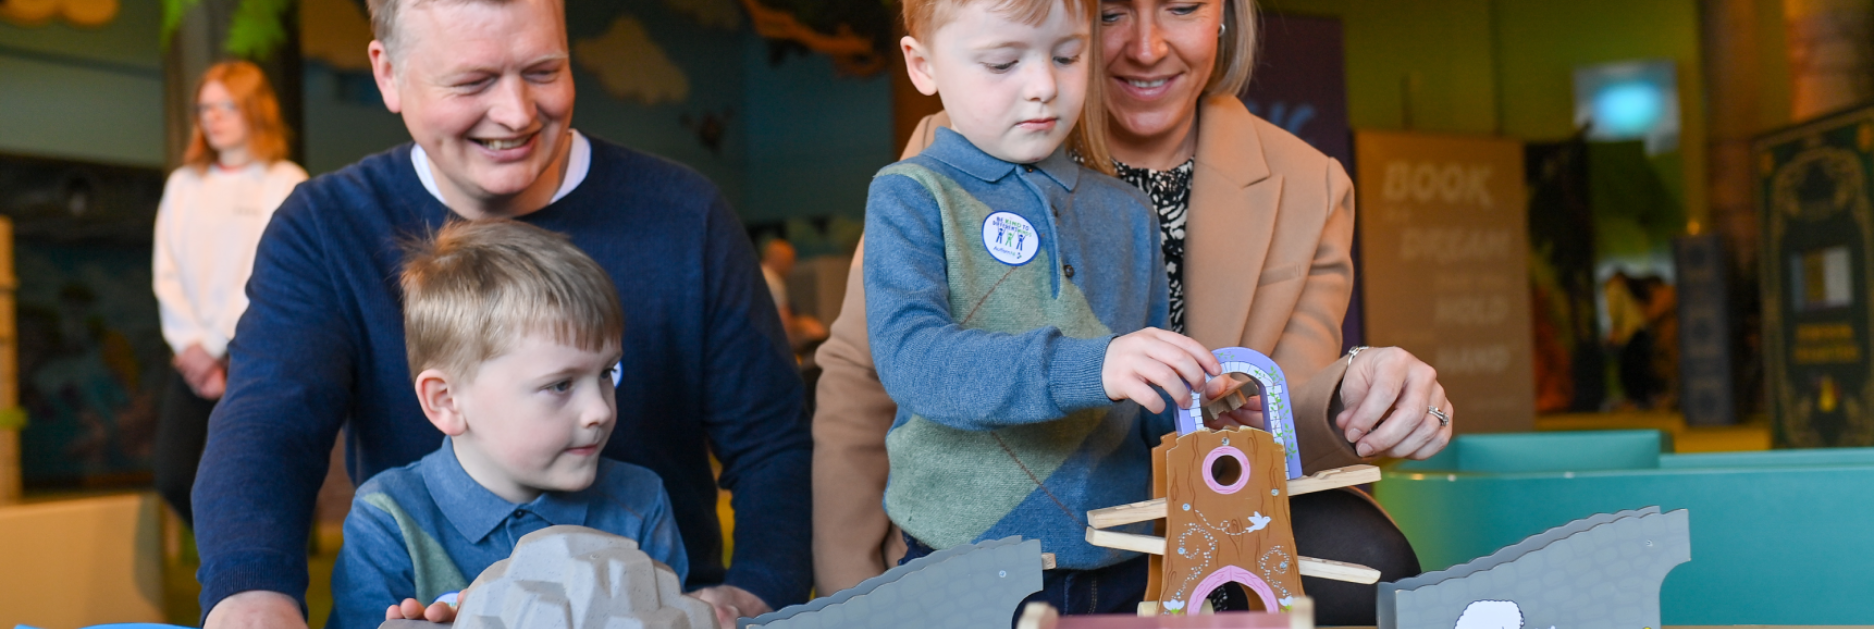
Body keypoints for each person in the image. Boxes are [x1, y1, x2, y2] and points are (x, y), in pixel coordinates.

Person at [813, 0, 1453, 621]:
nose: (1147, 48)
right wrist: (849, 593)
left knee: (1367, 558)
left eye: (1182, 7)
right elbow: (874, 372)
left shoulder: (1305, 184)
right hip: (971, 538)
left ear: (1226, 13)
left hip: (1145, 536)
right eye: (1114, 12)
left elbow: (1268, 412)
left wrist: (1347, 395)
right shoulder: (952, 157)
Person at [190, 0, 810, 626]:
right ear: (389, 74)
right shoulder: (325, 225)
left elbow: (771, 442)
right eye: (472, 81)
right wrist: (252, 593)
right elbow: (267, 427)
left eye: (543, 71)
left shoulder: (686, 214)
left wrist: (755, 590)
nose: (517, 114)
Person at [865, 0, 1222, 613]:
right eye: (1003, 63)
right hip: (964, 563)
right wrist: (1093, 367)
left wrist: (1207, 401)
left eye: (1067, 56)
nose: (1043, 87)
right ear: (923, 66)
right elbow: (914, 361)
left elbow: (1153, 405)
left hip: (1125, 561)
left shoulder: (1131, 216)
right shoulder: (910, 194)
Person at [330, 220, 689, 628]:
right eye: (560, 384)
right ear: (447, 401)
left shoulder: (639, 503)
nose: (600, 411)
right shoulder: (389, 520)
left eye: (607, 372)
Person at [151, 60, 307, 528]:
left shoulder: (285, 180)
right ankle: (229, 573)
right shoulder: (183, 184)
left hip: (256, 359)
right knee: (174, 476)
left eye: (225, 106)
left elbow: (274, 273)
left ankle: (264, 584)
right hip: (192, 362)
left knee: (264, 482)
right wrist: (192, 349)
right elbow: (167, 272)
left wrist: (220, 347)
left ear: (254, 110)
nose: (211, 118)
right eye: (204, 108)